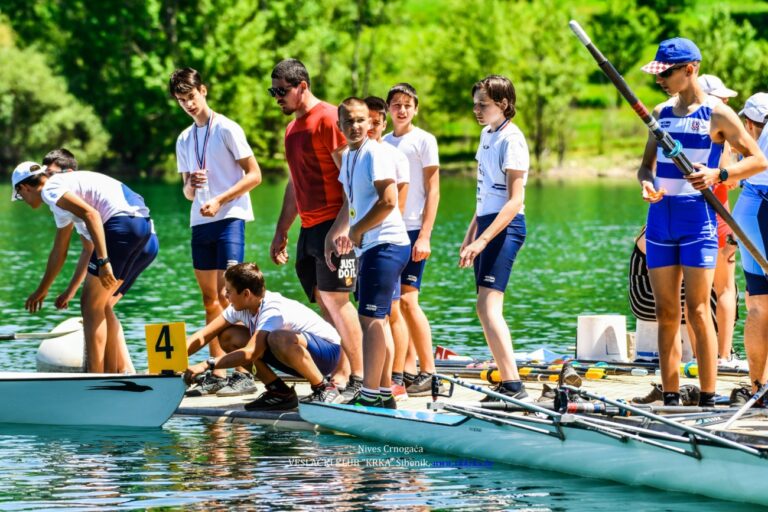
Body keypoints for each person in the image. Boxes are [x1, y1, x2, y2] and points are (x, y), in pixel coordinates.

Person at [637, 38, 767, 407]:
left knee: (697, 310)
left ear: (689, 69)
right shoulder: (660, 113)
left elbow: (758, 161)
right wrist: (646, 182)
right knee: (666, 313)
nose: (660, 79)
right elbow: (646, 165)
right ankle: (672, 396)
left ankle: (708, 396)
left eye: (666, 72)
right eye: (658, 72)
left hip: (699, 220)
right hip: (661, 218)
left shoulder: (717, 115)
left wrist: (718, 173)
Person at [268, 58, 363, 399]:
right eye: (273, 91)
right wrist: (282, 231)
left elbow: (350, 177)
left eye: (282, 91)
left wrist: (345, 227)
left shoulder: (327, 119)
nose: (277, 97)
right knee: (325, 304)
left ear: (302, 86)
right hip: (309, 229)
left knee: (339, 302)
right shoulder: (292, 130)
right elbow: (294, 184)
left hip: (334, 225)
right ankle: (342, 371)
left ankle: (358, 378)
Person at [170, 67, 262, 396]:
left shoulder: (226, 128)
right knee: (210, 299)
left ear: (203, 91)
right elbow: (186, 192)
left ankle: (242, 371)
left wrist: (222, 199)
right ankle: (217, 371)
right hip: (201, 222)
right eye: (181, 100)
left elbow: (255, 175)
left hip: (230, 217)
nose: (187, 104)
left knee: (231, 296)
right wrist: (191, 187)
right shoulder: (183, 138)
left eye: (191, 97)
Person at [12, 161, 154, 373]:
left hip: (121, 225)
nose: (23, 201)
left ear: (24, 187)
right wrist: (43, 290)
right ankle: (112, 373)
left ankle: (94, 377)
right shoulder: (61, 198)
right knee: (103, 305)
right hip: (144, 228)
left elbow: (92, 215)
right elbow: (59, 251)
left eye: (20, 196)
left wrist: (104, 261)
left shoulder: (51, 188)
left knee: (90, 304)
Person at [325, 97, 411, 408]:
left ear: (371, 122)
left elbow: (388, 201)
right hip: (371, 248)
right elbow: (350, 205)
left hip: (386, 245)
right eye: (349, 121)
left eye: (362, 120)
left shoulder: (375, 154)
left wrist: (357, 231)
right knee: (377, 320)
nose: (356, 126)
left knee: (370, 320)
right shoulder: (349, 156)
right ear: (340, 126)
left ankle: (371, 395)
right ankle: (385, 392)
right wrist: (334, 235)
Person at [183, 262, 343, 410]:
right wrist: (170, 363)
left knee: (277, 337)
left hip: (326, 354)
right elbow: (204, 335)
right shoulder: (241, 306)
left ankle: (324, 388)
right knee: (228, 336)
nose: (225, 295)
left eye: (229, 291)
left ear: (245, 293)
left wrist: (206, 364)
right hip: (298, 353)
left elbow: (250, 353)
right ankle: (280, 392)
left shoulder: (272, 310)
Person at [458, 75, 529, 400]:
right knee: (483, 307)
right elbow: (484, 193)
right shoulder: (487, 135)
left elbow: (513, 201)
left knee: (488, 306)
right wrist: (470, 233)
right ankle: (507, 382)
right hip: (486, 225)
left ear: (502, 104)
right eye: (474, 103)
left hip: (506, 227)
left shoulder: (512, 139)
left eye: (482, 104)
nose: (477, 109)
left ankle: (513, 385)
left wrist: (483, 240)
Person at [383, 83, 441, 396]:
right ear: (388, 109)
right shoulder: (383, 142)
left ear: (415, 108)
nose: (402, 110)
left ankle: (430, 371)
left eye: (407, 105)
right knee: (395, 306)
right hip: (390, 229)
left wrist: (426, 235)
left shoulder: (424, 141)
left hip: (414, 228)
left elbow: (433, 189)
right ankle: (405, 370)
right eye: (396, 105)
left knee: (408, 300)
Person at [363, 96, 412, 400]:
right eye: (364, 119)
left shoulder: (392, 156)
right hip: (365, 245)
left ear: (382, 122)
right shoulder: (357, 154)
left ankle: (393, 379)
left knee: (389, 312)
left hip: (387, 242)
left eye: (376, 120)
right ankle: (380, 383)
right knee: (374, 315)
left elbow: (398, 205)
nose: (371, 125)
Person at [698, 74, 740, 364]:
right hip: (719, 215)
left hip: (689, 215)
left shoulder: (679, 124)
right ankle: (723, 355)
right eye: (722, 98)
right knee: (725, 289)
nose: (726, 102)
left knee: (692, 293)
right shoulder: (721, 131)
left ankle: (700, 355)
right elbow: (731, 179)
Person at [730, 92, 768, 404]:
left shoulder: (749, 138)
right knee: (759, 305)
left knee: (758, 304)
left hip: (752, 210)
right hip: (757, 210)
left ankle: (759, 389)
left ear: (749, 122)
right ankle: (759, 389)